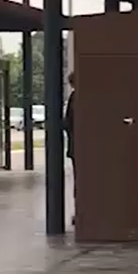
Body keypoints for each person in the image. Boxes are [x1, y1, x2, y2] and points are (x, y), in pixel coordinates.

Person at [63, 72, 76, 225]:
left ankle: (80, 211)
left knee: (79, 180)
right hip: (80, 147)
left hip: (77, 147)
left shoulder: (74, 98)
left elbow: (68, 123)